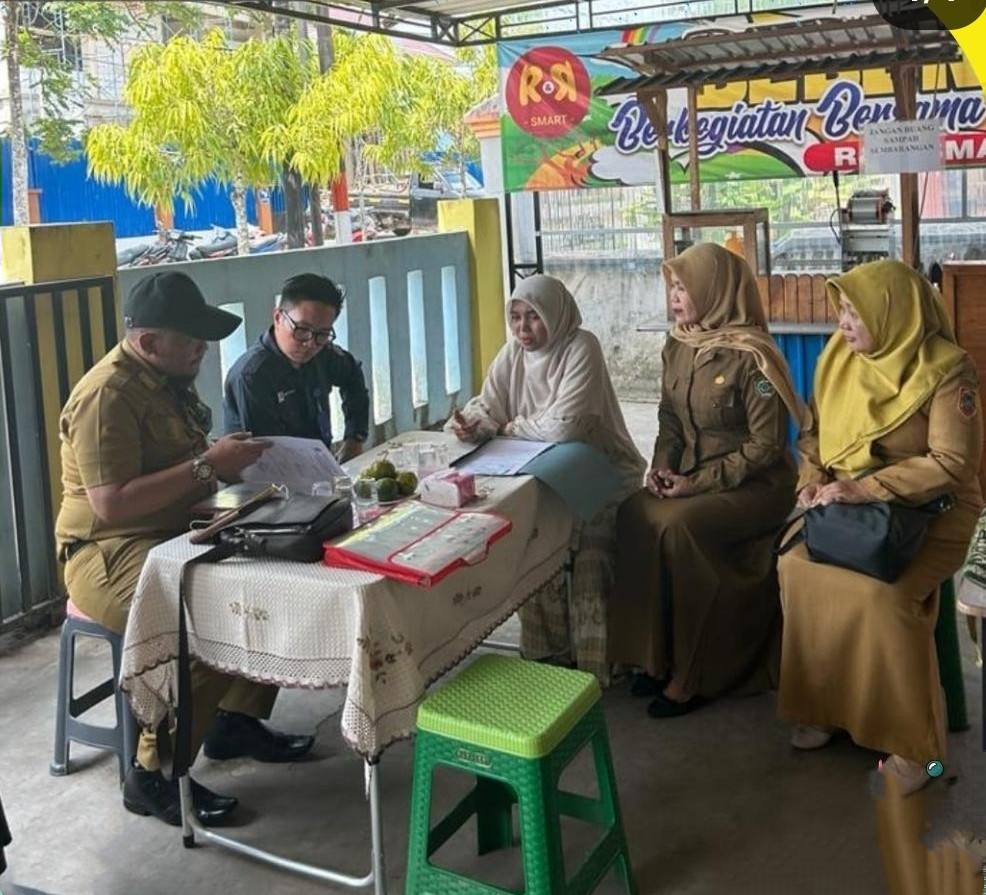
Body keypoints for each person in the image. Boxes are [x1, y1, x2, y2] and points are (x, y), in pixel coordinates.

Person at [56, 271, 315, 828]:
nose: (203, 348)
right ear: (149, 342)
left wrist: (233, 471)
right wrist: (209, 466)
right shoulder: (109, 395)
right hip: (106, 552)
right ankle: (152, 774)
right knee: (203, 621)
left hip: (176, 528)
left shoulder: (166, 377)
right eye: (191, 339)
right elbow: (111, 505)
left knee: (273, 574)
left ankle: (233, 720)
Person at [777, 259, 983, 795]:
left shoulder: (946, 370)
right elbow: (814, 437)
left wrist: (865, 487)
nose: (843, 323)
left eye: (855, 312)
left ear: (895, 314)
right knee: (795, 568)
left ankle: (920, 752)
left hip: (933, 513)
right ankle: (826, 708)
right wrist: (811, 480)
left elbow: (951, 465)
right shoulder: (837, 360)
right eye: (841, 310)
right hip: (848, 508)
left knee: (882, 597)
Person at [608, 242, 802, 718]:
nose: (675, 297)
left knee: (679, 529)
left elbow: (766, 446)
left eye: (684, 287)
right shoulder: (679, 344)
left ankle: (696, 672)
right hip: (692, 474)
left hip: (753, 486)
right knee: (634, 512)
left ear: (716, 292)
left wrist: (698, 484)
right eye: (671, 286)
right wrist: (663, 467)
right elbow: (669, 417)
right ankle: (653, 658)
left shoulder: (754, 357)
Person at [447, 274, 646, 682]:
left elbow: (566, 428)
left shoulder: (580, 347)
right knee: (530, 548)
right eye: (516, 317)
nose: (523, 329)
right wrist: (476, 424)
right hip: (539, 476)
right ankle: (547, 659)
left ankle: (596, 665)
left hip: (601, 474)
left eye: (534, 318)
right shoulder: (511, 355)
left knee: (590, 556)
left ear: (556, 315)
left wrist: (505, 428)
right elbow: (489, 405)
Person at [223, 273, 370, 462]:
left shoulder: (323, 353)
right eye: (302, 330)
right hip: (267, 482)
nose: (310, 343)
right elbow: (265, 455)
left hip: (317, 470)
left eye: (322, 334)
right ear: (277, 317)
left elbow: (352, 375)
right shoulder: (253, 375)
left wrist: (354, 438)